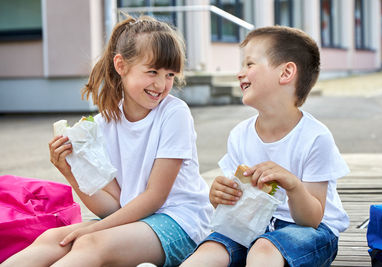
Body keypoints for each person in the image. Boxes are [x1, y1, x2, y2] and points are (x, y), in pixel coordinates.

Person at [2, 15, 213, 267]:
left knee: (89, 243)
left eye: (169, 75)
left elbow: (155, 197)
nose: (161, 84)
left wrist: (93, 230)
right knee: (53, 239)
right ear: (121, 65)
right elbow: (113, 207)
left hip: (182, 223)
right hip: (134, 222)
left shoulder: (174, 113)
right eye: (152, 71)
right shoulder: (102, 125)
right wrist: (70, 172)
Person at [181, 26, 349, 267]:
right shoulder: (240, 135)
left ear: (286, 72)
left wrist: (292, 185)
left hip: (310, 232)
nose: (240, 73)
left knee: (263, 248)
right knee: (213, 247)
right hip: (251, 224)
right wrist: (218, 195)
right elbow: (237, 204)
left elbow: (311, 218)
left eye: (249, 64)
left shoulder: (315, 137)